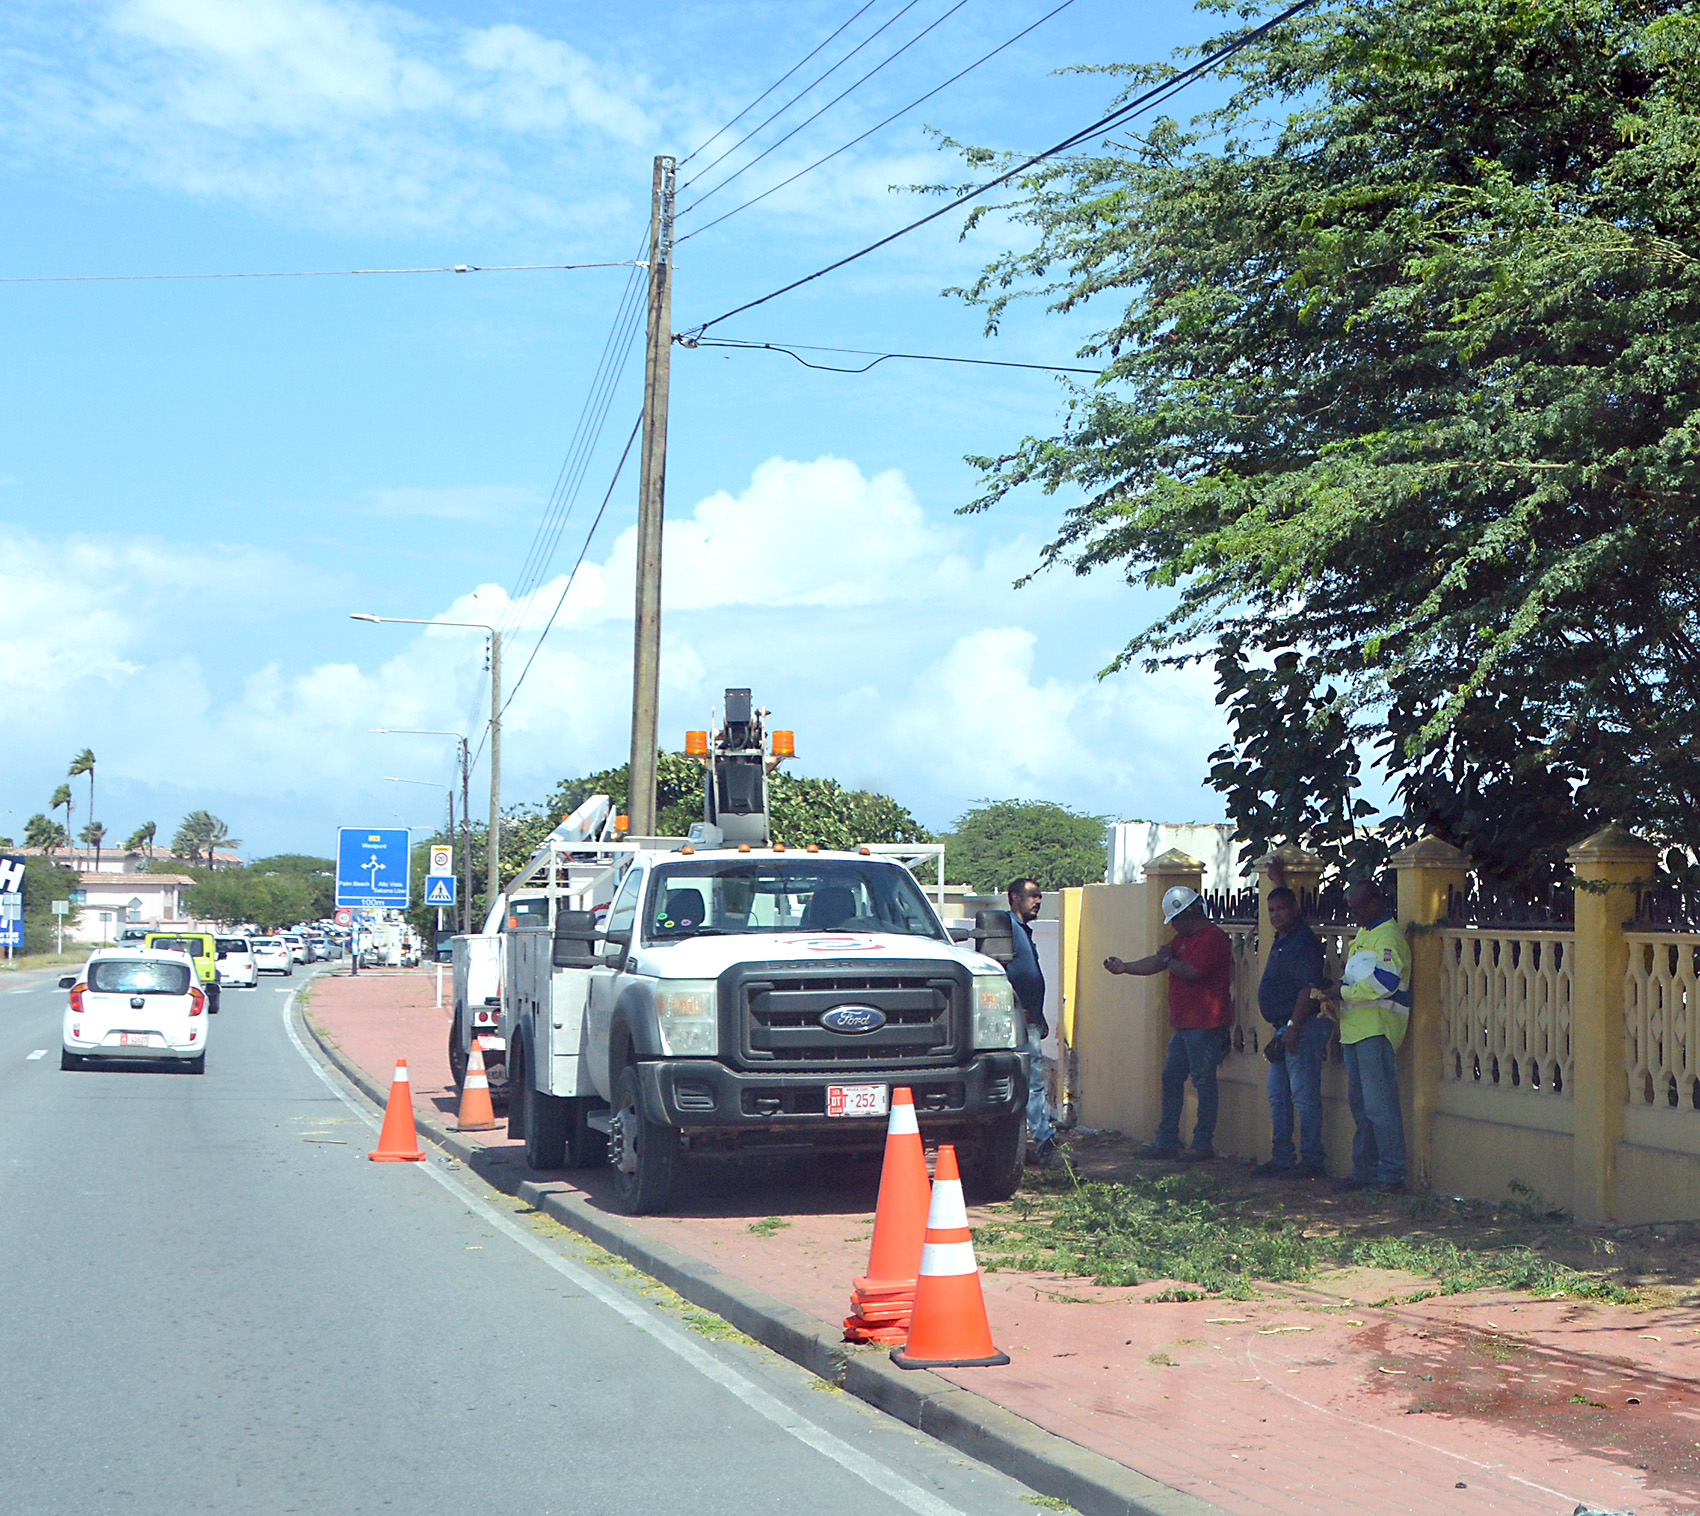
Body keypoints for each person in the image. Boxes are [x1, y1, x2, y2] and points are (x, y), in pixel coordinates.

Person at [1104, 886, 1233, 1160]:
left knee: (1203, 1082)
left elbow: (1193, 971)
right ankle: (1167, 1140)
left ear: (1189, 914)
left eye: (1176, 919)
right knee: (1171, 1078)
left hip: (1206, 1024)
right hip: (1185, 1024)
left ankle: (1202, 1144)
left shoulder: (1213, 938)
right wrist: (1125, 967)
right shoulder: (1181, 940)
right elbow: (1158, 962)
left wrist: (1168, 959)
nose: (1173, 925)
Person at [1307, 878, 1411, 1194]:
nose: (1355, 914)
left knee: (1380, 1107)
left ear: (1377, 902)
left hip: (1376, 1030)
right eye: (1351, 909)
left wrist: (1344, 991)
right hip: (1355, 1031)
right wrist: (1334, 989)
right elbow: (1358, 978)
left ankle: (1392, 1175)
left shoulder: (1388, 935)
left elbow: (1385, 982)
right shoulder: (1366, 934)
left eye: (1359, 907)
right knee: (1362, 1107)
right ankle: (1364, 1172)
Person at [1249, 878, 1329, 1180]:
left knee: (1303, 1095)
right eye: (1271, 910)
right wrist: (1278, 878)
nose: (1275, 915)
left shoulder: (1303, 941)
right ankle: (1282, 1157)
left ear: (1294, 909)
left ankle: (1311, 1160)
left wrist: (1293, 1027)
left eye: (1281, 908)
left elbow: (1308, 988)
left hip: (1302, 1027)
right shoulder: (1282, 938)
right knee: (1278, 1094)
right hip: (1283, 1027)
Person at [1003, 877, 1058, 1167]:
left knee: (1031, 1080)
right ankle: (1043, 1140)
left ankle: (1038, 1137)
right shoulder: (1006, 929)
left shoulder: (1024, 931)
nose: (1037, 901)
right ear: (1014, 897)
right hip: (1017, 1021)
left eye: (1040, 897)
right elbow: (998, 972)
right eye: (1032, 896)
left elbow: (1029, 977)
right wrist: (1015, 1007)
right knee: (1032, 1081)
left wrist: (1039, 1015)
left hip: (1031, 1020)